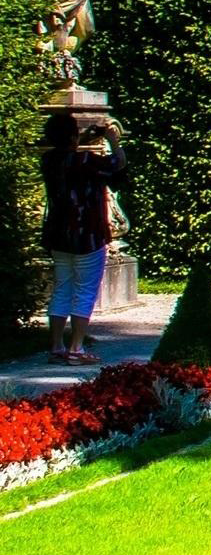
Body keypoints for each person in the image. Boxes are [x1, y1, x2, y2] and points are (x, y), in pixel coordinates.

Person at [41, 111, 126, 365]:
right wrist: (112, 139)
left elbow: (68, 154)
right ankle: (76, 348)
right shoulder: (86, 160)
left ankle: (57, 347)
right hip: (88, 233)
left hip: (58, 234)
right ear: (72, 137)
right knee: (85, 291)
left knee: (62, 288)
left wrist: (84, 138)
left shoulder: (49, 160)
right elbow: (117, 163)